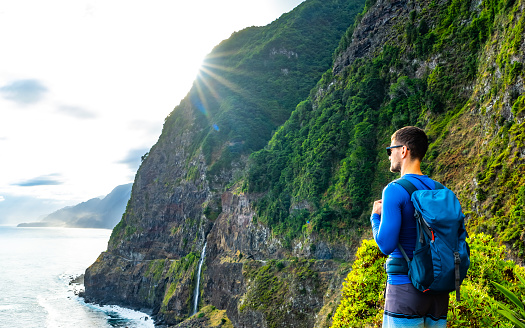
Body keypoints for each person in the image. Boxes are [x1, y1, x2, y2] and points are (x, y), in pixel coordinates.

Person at [370, 126, 449, 328]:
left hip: (406, 288)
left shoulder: (395, 190)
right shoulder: (441, 190)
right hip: (439, 291)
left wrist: (375, 217)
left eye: (390, 150)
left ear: (403, 150)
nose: (389, 156)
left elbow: (385, 245)